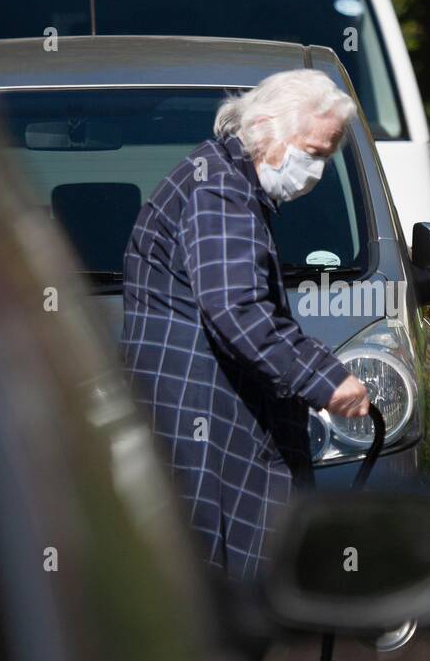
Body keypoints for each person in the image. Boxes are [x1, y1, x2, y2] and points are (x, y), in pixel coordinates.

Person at [121, 69, 370, 581]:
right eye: (311, 152)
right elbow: (238, 309)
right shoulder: (220, 191)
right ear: (264, 127)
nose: (314, 171)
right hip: (203, 423)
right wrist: (327, 382)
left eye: (326, 156)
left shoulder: (222, 181)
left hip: (204, 414)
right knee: (220, 585)